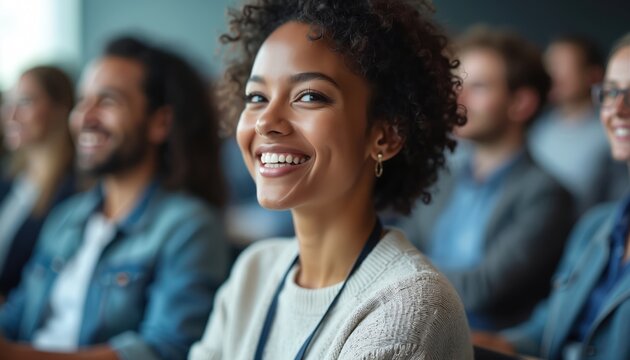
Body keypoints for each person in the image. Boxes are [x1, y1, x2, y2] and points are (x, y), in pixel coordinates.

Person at [189, 0, 473, 359]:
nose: (265, 121)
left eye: (310, 96)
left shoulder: (411, 304)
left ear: (384, 136)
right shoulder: (255, 270)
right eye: (256, 97)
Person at [0, 36, 229, 360]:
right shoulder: (66, 217)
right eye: (83, 101)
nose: (85, 117)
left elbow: (165, 350)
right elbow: (15, 318)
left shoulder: (189, 226)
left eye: (107, 101)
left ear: (159, 122)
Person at [399, 27, 574, 330]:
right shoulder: (444, 177)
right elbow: (403, 244)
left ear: (521, 104)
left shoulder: (546, 194)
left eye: (478, 86)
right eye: (458, 84)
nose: (457, 96)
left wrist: (396, 274)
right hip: (413, 321)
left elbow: (481, 289)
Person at [474, 33, 630, 360]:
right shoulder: (595, 227)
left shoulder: (547, 193)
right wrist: (474, 341)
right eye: (612, 91)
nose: (617, 109)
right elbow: (546, 329)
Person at [0, 66, 76, 301]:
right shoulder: (9, 181)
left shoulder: (73, 193)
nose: (10, 115)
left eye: (25, 102)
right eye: (8, 103)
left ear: (59, 108)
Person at [529, 35, 627, 214]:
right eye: (549, 66)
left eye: (562, 66)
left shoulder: (613, 137)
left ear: (593, 76)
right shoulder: (538, 128)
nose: (552, 75)